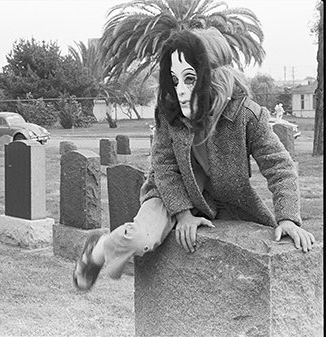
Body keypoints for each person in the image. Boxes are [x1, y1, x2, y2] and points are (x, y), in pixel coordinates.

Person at [72, 28, 315, 291]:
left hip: (220, 199)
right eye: (175, 81)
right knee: (141, 238)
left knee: (265, 248)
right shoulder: (171, 114)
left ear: (216, 75)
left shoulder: (248, 116)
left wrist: (288, 218)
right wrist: (183, 214)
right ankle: (98, 249)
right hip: (167, 195)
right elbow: (164, 167)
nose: (181, 90)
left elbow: (279, 166)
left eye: (190, 78)